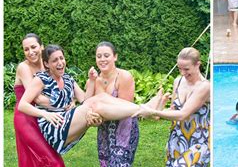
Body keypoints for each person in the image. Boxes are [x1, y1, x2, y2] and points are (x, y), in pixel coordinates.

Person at [18, 45, 150, 159]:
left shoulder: (68, 79)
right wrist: (45, 114)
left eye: (61, 58)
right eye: (54, 60)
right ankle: (143, 111)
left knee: (100, 98)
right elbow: (22, 105)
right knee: (95, 105)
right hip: (53, 128)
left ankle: (142, 109)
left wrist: (92, 80)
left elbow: (85, 100)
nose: (60, 63)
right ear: (46, 64)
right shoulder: (41, 79)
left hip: (66, 122)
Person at [136, 47, 210, 167]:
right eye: (180, 69)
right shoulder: (178, 81)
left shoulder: (205, 87)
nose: (183, 73)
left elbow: (184, 114)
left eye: (187, 69)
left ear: (198, 64)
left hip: (198, 141)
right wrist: (160, 109)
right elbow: (173, 111)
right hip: (177, 139)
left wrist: (153, 111)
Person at [13, 34, 77, 167]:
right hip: (25, 118)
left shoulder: (46, 66)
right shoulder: (24, 68)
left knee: (39, 163)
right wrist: (61, 105)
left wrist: (69, 102)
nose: (30, 52)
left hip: (41, 119)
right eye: (26, 49)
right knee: (48, 161)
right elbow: (39, 99)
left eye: (33, 47)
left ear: (41, 47)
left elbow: (61, 90)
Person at [86, 41, 139, 167]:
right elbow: (89, 104)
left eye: (106, 55)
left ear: (115, 56)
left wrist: (100, 112)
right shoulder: (97, 80)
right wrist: (93, 117)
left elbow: (124, 108)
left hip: (124, 131)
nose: (102, 59)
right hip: (104, 133)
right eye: (99, 56)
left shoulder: (124, 77)